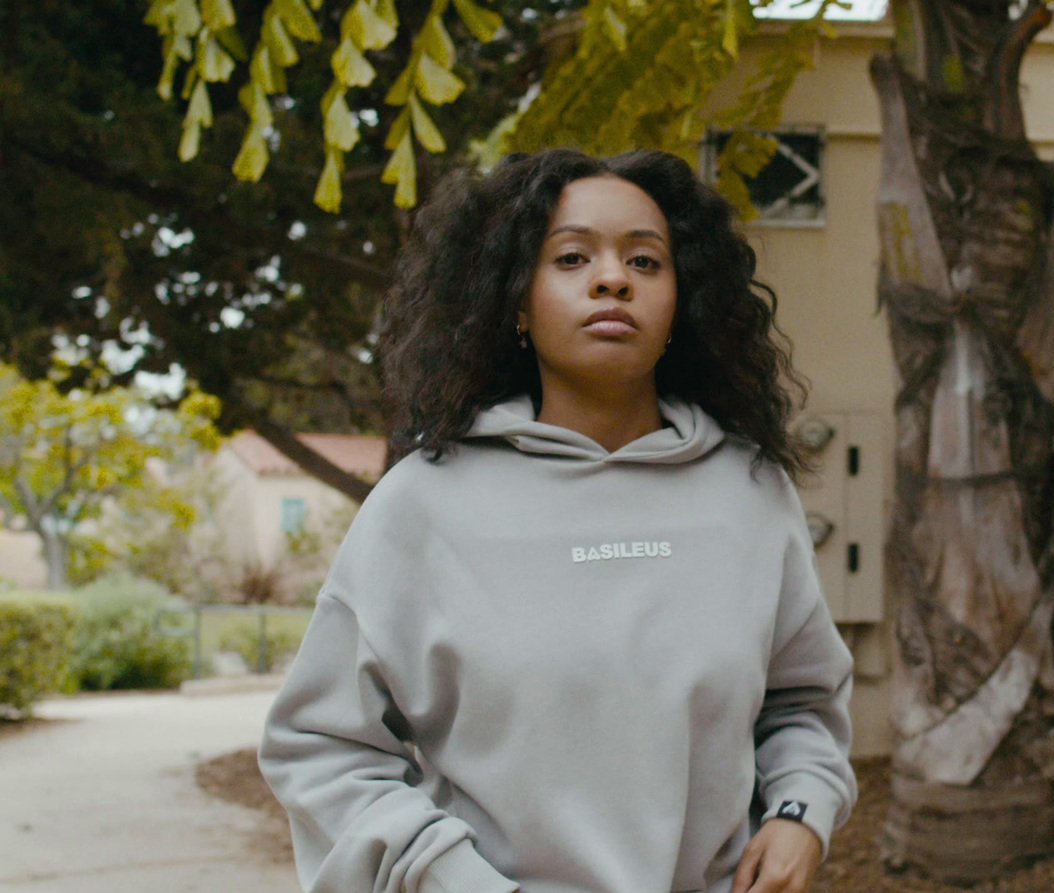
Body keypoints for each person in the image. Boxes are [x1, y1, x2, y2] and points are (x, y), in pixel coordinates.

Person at [258, 148, 857, 893]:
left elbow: (801, 702)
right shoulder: (424, 505)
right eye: (571, 257)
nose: (613, 279)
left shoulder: (750, 493)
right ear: (515, 299)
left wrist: (801, 811)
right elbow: (321, 745)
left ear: (682, 300)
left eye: (646, 261)